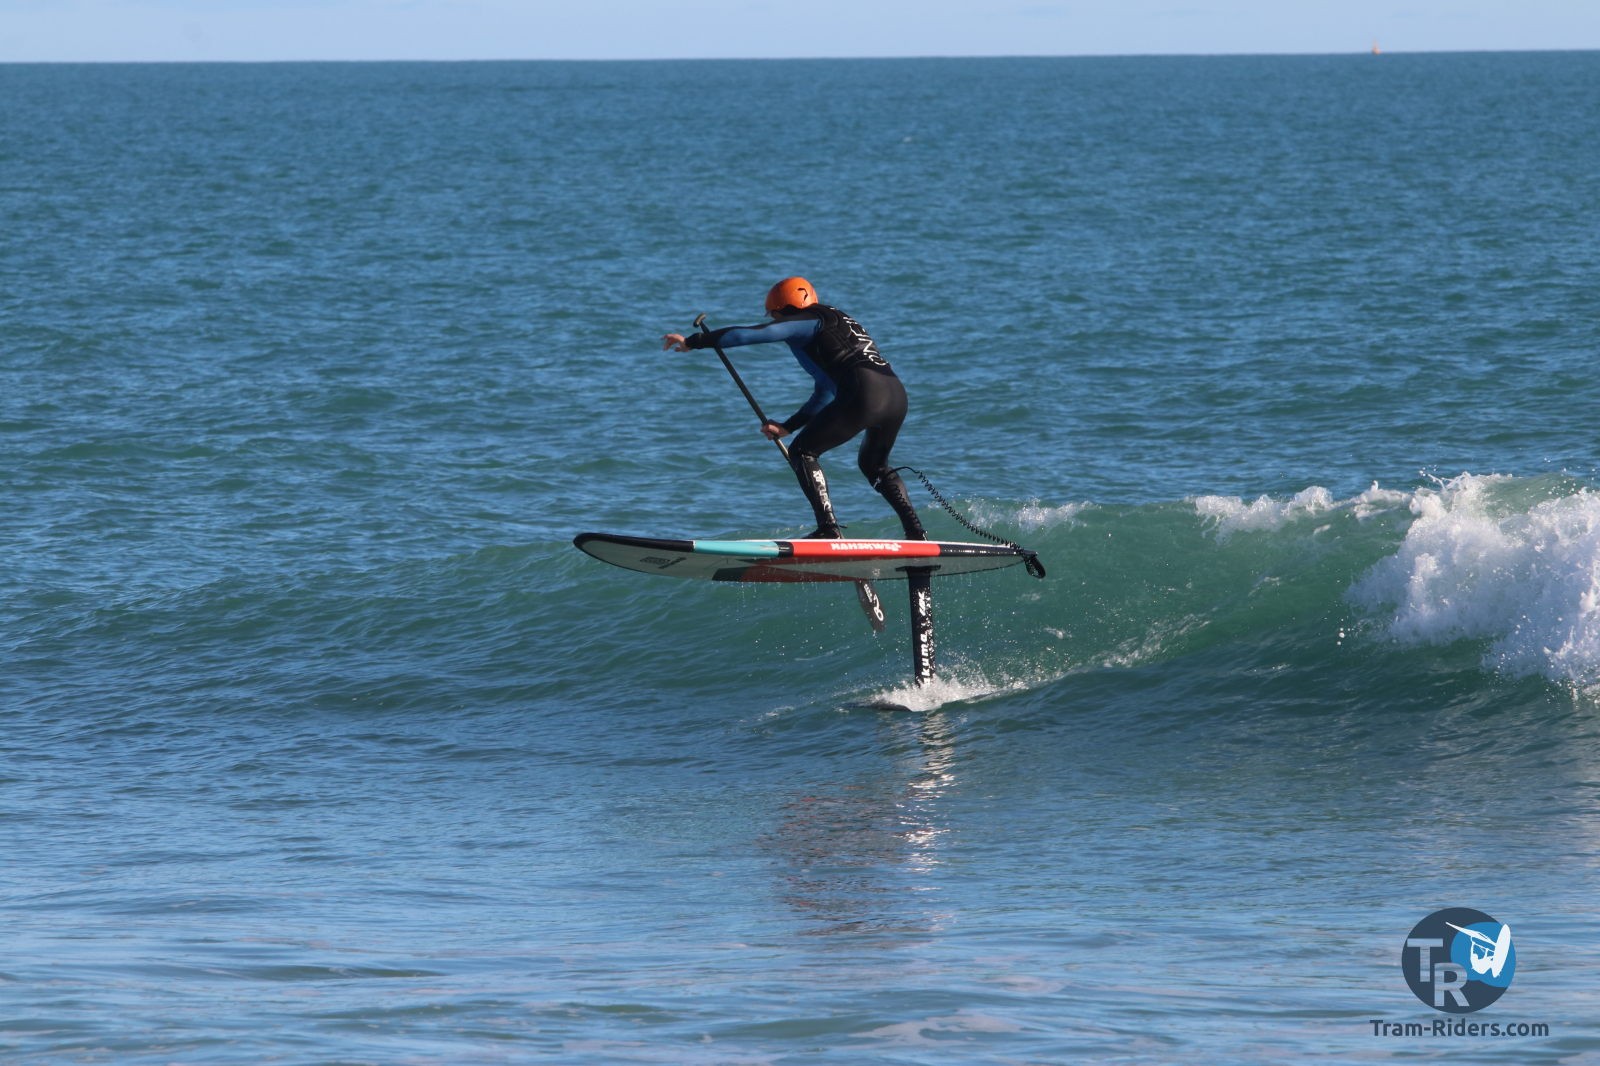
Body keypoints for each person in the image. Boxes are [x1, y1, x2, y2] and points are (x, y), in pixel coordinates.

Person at [661, 277, 925, 540]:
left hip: (864, 393)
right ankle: (916, 532)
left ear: (779, 312)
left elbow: (754, 334)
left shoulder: (804, 322)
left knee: (802, 452)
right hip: (896, 396)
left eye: (775, 317)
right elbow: (824, 389)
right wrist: (789, 425)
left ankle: (828, 529)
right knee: (874, 465)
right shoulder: (838, 320)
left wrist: (694, 342)